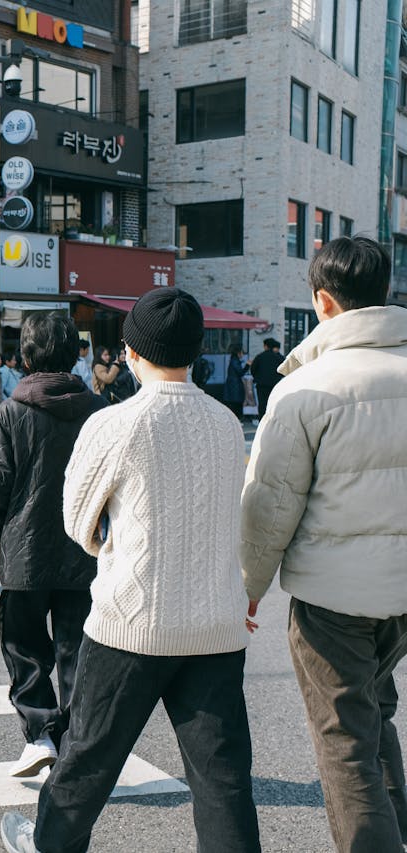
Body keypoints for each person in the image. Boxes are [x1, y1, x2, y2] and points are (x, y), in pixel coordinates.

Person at [1, 288, 260, 853]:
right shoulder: (224, 423)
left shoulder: (117, 422)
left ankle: (49, 846)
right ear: (195, 352)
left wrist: (112, 546)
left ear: (132, 351)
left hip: (132, 623)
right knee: (222, 779)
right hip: (215, 623)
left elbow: (77, 519)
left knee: (87, 759)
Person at [240, 236, 407, 852]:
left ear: (323, 301)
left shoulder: (307, 388)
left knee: (345, 744)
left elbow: (269, 505)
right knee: (371, 714)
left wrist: (249, 587)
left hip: (333, 597)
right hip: (403, 597)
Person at [0, 313, 106, 778]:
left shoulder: (12, 412)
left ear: (25, 356)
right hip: (86, 552)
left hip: (25, 554)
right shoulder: (99, 410)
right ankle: (73, 740)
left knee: (24, 645)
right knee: (79, 650)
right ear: (76, 354)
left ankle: (39, 733)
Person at [250, 337, 285, 417]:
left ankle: (262, 420)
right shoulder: (278, 357)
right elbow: (284, 369)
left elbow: (253, 369)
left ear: (266, 346)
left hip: (261, 385)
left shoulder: (260, 356)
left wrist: (258, 377)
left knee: (262, 404)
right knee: (273, 403)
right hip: (275, 384)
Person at [222, 345, 248, 419]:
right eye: (242, 353)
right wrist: (247, 365)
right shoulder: (235, 361)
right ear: (238, 353)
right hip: (234, 385)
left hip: (233, 384)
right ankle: (237, 418)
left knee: (234, 402)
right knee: (236, 403)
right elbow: (240, 372)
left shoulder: (234, 360)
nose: (242, 355)